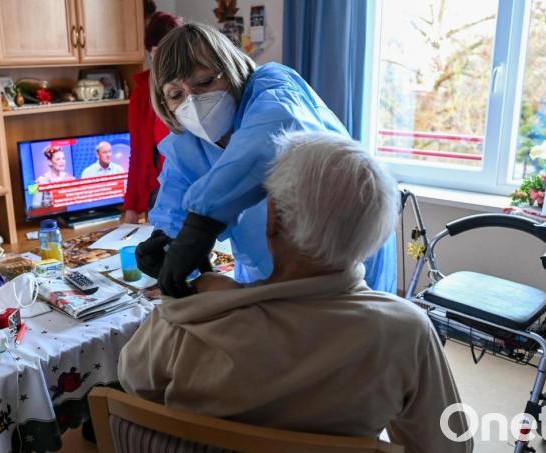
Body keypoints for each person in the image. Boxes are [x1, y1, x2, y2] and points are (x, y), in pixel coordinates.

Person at [119, 131, 472, 453]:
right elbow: (450, 445)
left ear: (273, 219)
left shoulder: (188, 320)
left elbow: (132, 383)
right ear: (374, 232)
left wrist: (216, 297)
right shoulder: (405, 331)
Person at [135, 23, 397, 297]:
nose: (194, 101)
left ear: (232, 71)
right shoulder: (187, 144)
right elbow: (175, 212)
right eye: (176, 95)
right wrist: (167, 245)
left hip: (339, 260)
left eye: (205, 82)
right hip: (263, 270)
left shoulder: (275, 89)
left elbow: (267, 141)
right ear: (165, 104)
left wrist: (201, 225)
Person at [123, 11, 184, 224]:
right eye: (158, 52)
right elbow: (137, 152)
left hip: (192, 189)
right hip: (157, 193)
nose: (163, 61)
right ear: (150, 52)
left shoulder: (193, 88)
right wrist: (131, 205)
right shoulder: (141, 92)